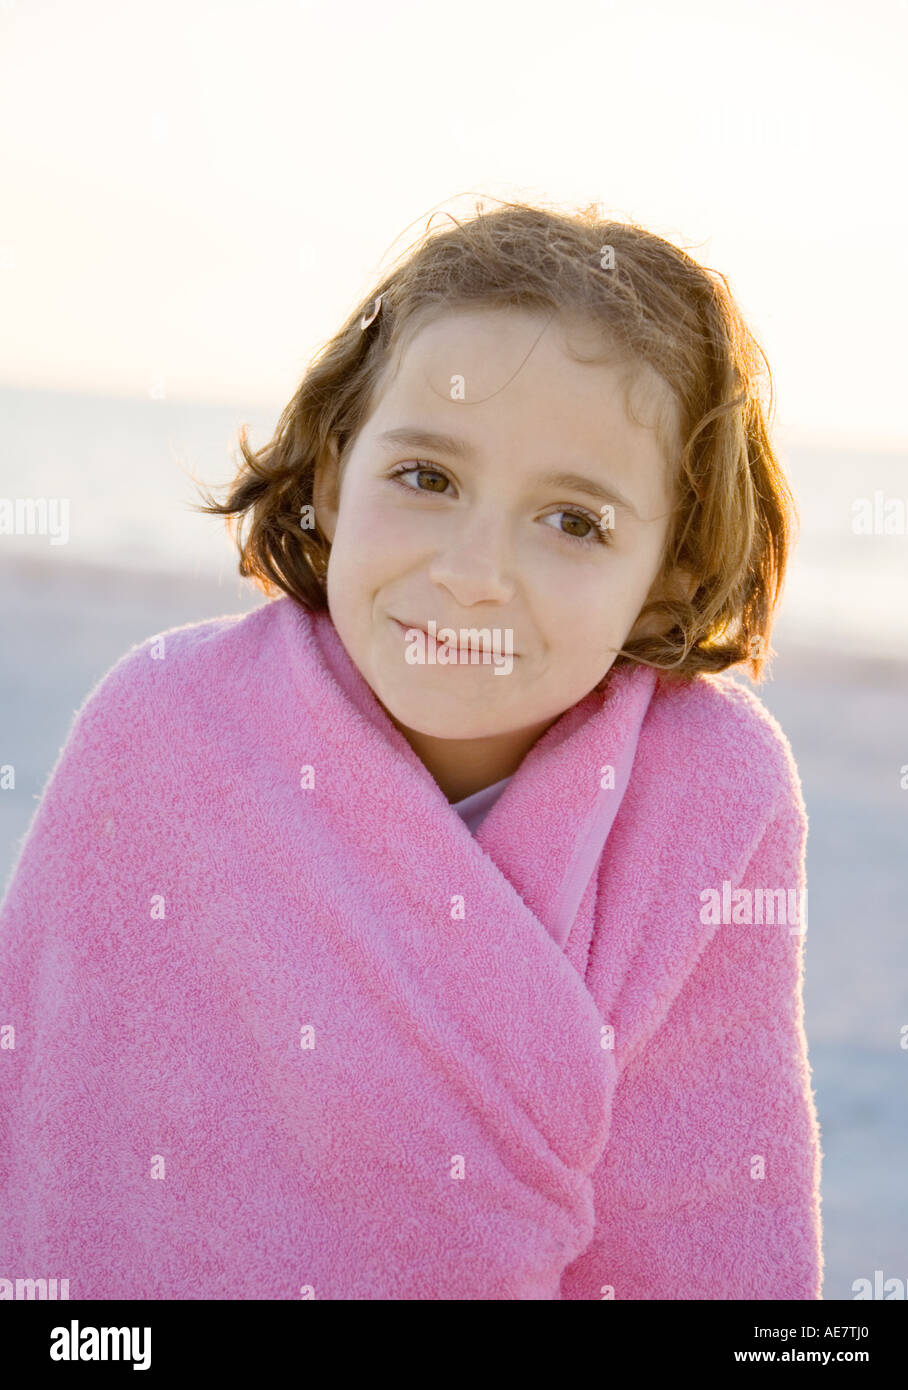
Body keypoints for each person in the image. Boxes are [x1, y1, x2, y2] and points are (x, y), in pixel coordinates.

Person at [0, 199, 822, 1299]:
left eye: (574, 520)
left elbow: (709, 1211)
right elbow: (53, 1117)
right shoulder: (163, 729)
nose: (473, 569)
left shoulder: (709, 793)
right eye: (426, 479)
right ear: (335, 477)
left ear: (672, 569)